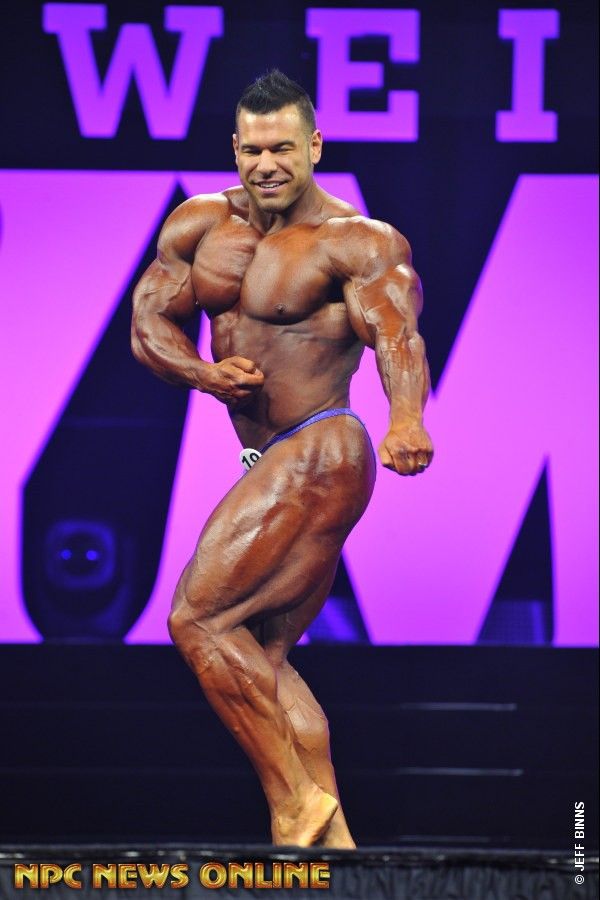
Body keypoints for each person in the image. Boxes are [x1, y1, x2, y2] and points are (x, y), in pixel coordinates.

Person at [131, 70, 433, 849]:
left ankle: (294, 804)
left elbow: (396, 332)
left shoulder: (355, 240)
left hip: (324, 446)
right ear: (235, 148)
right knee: (259, 652)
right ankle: (333, 844)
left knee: (198, 617)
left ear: (315, 147)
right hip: (271, 457)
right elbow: (148, 326)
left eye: (284, 149)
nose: (267, 164)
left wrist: (406, 417)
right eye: (253, 150)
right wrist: (202, 373)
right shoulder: (199, 225)